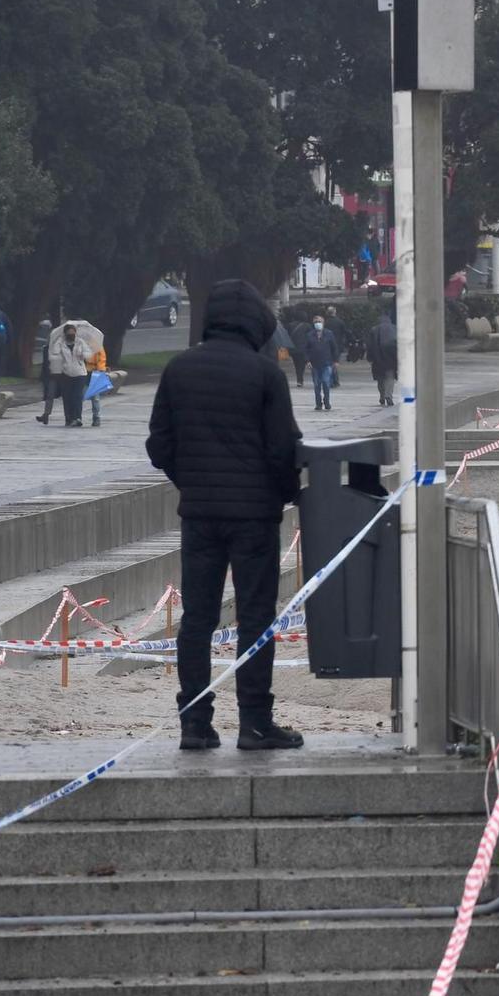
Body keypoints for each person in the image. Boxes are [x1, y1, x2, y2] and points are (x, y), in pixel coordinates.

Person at [145, 280, 304, 753]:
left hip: (199, 515)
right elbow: (283, 450)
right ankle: (255, 722)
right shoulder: (264, 375)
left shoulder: (179, 369)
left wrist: (191, 479)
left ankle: (194, 723)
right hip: (254, 517)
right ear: (256, 323)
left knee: (196, 619)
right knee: (256, 618)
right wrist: (287, 494)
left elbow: (159, 444)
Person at [50, 321, 92, 427]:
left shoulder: (80, 342)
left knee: (77, 396)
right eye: (69, 333)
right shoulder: (61, 343)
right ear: (65, 334)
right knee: (67, 397)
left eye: (73, 332)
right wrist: (59, 341)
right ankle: (68, 418)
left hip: (80, 373)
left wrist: (82, 354)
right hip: (66, 373)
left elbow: (89, 354)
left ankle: (77, 418)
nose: (71, 334)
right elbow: (54, 353)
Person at [301, 312, 339, 411]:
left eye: (320, 321)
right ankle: (318, 403)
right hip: (314, 364)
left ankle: (327, 401)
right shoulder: (309, 335)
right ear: (313, 323)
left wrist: (336, 361)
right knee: (317, 385)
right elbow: (305, 349)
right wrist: (307, 361)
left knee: (326, 382)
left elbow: (334, 348)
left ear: (323, 323)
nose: (318, 323)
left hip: (327, 363)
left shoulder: (329, 334)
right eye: (316, 322)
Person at [370, 307, 398, 406]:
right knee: (390, 377)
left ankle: (382, 395)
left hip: (378, 357)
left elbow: (370, 345)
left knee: (380, 378)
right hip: (391, 358)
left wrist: (370, 357)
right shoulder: (395, 328)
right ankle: (388, 395)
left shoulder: (374, 329)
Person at [34, 317, 55, 425]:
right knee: (49, 396)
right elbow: (45, 365)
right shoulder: (46, 348)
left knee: (65, 397)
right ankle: (46, 415)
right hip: (51, 375)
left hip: (63, 375)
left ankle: (71, 416)